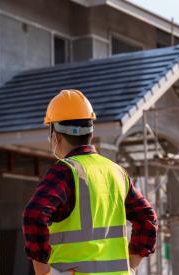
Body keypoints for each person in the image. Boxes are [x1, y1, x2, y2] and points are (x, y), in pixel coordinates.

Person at [22, 90, 158, 275]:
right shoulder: (116, 172)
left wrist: (43, 272)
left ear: (57, 135)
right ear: (90, 134)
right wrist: (132, 265)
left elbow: (34, 215)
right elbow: (147, 218)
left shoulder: (64, 171)